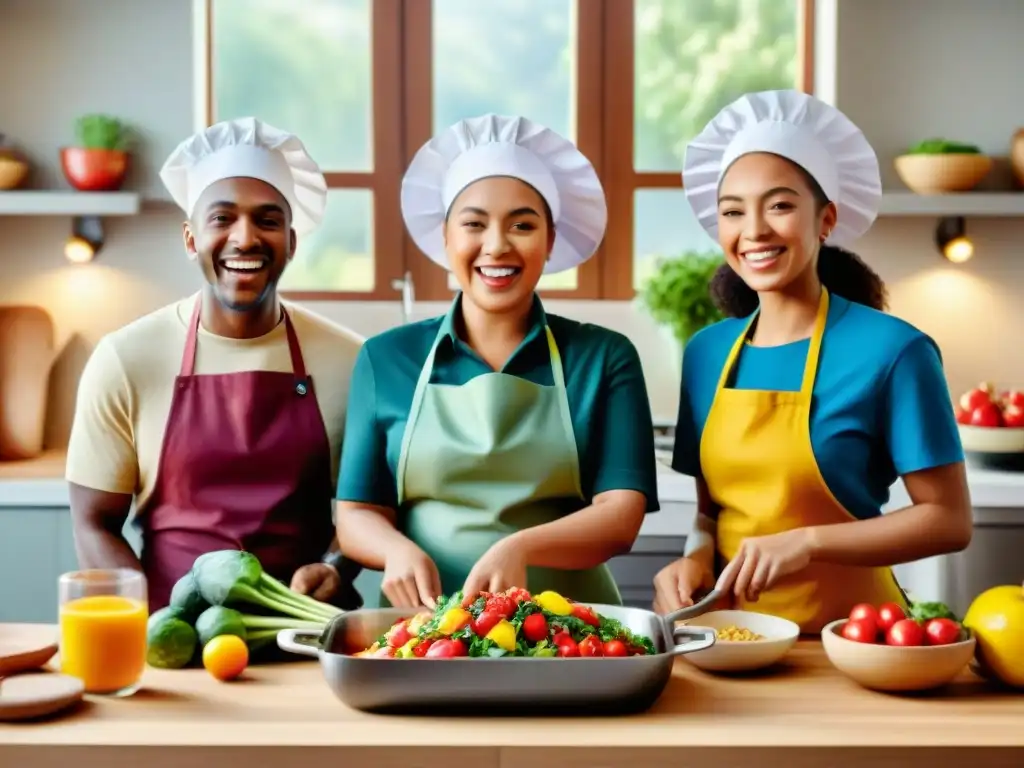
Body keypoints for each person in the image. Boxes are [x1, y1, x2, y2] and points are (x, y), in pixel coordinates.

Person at [653, 90, 973, 634]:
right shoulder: (706, 353)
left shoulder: (894, 351)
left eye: (779, 205)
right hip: (731, 639)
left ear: (825, 219)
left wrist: (810, 541)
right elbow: (710, 513)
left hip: (856, 638)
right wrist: (695, 557)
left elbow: (949, 521)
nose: (753, 230)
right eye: (733, 211)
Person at [333, 114, 659, 609]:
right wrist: (394, 549)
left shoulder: (604, 357)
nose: (497, 245)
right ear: (445, 238)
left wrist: (520, 546)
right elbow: (356, 512)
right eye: (474, 224)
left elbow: (621, 516)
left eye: (522, 225)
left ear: (550, 240)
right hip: (425, 632)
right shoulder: (386, 358)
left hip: (568, 635)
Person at [66, 117, 365, 611]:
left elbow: (370, 509)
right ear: (190, 239)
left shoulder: (352, 361)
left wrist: (336, 566)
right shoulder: (125, 359)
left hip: (311, 635)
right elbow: (93, 521)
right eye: (222, 218)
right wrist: (151, 626)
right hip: (174, 641)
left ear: (291, 241)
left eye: (267, 220)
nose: (244, 239)